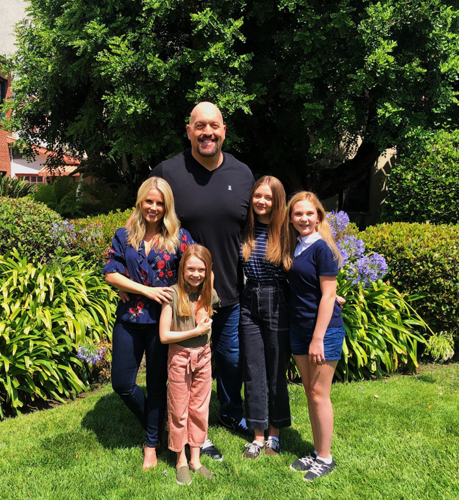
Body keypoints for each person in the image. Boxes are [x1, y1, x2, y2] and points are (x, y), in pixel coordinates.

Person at [149, 102, 255, 459]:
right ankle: (194, 432)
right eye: (200, 126)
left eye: (213, 126)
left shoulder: (243, 174)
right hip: (186, 297)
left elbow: (257, 232)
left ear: (223, 131)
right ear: (189, 130)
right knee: (191, 368)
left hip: (229, 292)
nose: (207, 132)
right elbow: (146, 222)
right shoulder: (168, 172)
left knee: (230, 360)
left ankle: (230, 413)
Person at [103, 177, 194, 470]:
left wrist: (198, 305)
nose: (153, 207)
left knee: (156, 385)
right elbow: (111, 272)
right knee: (122, 384)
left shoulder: (179, 237)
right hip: (129, 318)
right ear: (140, 202)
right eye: (149, 201)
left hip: (162, 322)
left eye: (159, 203)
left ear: (167, 206)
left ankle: (151, 444)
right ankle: (159, 424)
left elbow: (197, 269)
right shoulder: (124, 235)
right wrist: (144, 290)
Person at [285, 191, 344, 481]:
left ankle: (325, 458)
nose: (304, 218)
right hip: (299, 328)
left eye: (310, 213)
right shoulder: (297, 246)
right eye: (298, 214)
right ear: (290, 218)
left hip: (323, 331)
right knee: (311, 392)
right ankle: (318, 450)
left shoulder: (322, 248)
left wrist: (318, 338)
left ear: (319, 216)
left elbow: (329, 294)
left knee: (320, 394)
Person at [239, 176, 293, 459]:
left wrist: (327, 293)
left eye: (268, 197)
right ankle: (257, 435)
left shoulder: (286, 230)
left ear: (277, 201)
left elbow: (306, 264)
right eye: (258, 196)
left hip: (277, 298)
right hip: (249, 299)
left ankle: (275, 433)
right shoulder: (245, 228)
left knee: (276, 370)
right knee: (253, 368)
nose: (261, 201)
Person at [159, 245, 220, 485]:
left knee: (199, 408)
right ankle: (180, 459)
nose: (196, 274)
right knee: (178, 410)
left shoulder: (207, 294)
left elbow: (206, 317)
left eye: (201, 270)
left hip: (204, 356)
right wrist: (195, 331)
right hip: (180, 358)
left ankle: (196, 459)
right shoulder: (172, 295)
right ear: (182, 269)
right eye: (191, 269)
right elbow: (164, 335)